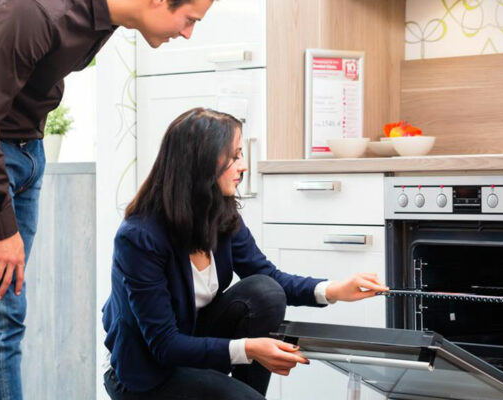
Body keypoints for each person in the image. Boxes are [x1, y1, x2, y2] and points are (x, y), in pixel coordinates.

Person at [0, 1, 214, 399]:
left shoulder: (104, 19)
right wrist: (3, 232)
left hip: (21, 150)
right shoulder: (33, 10)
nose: (189, 32)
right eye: (189, 19)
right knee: (0, 314)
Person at [101, 107, 389, 400]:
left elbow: (267, 277)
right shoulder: (139, 237)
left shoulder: (219, 214)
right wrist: (248, 348)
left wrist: (334, 290)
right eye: (235, 155)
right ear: (199, 162)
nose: (243, 165)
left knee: (265, 291)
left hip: (193, 353)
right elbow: (164, 344)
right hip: (147, 374)